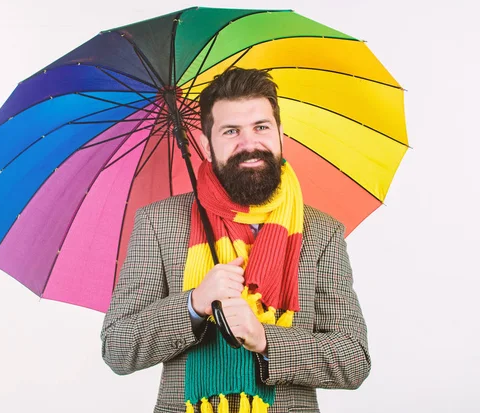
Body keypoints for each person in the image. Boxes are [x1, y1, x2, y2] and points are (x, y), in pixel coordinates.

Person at [101, 68, 370, 413]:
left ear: (280, 135)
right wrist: (194, 304)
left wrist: (264, 339)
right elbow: (118, 348)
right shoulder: (158, 221)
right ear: (205, 144)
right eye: (231, 131)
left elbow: (353, 359)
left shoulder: (321, 231)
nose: (249, 143)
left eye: (261, 127)